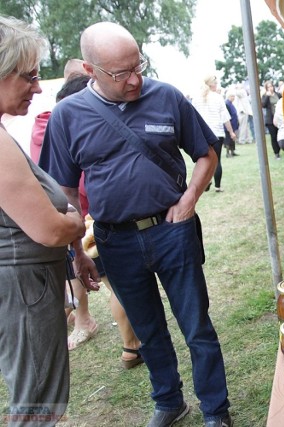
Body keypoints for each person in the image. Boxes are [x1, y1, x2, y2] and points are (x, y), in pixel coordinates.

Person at [39, 22, 233, 426]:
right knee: (148, 330)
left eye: (138, 65)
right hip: (116, 241)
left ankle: (216, 410)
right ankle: (168, 402)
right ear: (91, 71)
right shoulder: (67, 116)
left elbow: (206, 152)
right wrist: (78, 253)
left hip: (172, 232)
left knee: (196, 326)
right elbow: (65, 194)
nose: (135, 79)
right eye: (121, 73)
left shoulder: (166, 97)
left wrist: (189, 199)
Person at [0, 15, 86, 425]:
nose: (37, 87)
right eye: (29, 76)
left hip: (24, 287)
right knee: (36, 407)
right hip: (23, 290)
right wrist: (73, 222)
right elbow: (50, 229)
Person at [32, 73, 143, 367]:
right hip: (92, 225)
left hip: (80, 227)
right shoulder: (78, 133)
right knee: (119, 287)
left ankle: (132, 344)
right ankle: (131, 346)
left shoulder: (52, 131)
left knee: (114, 285)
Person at [192, 75, 236, 193]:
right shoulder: (218, 98)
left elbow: (193, 118)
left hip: (202, 134)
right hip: (217, 133)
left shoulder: (196, 98)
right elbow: (225, 117)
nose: (217, 85)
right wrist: (231, 132)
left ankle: (206, 182)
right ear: (211, 84)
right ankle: (217, 186)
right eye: (216, 83)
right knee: (217, 161)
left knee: (203, 161)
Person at [261, 80, 281, 160]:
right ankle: (276, 153)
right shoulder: (265, 96)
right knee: (273, 137)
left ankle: (281, 149)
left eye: (271, 86)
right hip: (271, 119)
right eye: (268, 87)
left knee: (280, 135)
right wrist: (267, 96)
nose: (270, 88)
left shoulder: (278, 95)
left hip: (279, 118)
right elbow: (263, 105)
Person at [224, 90, 239, 158]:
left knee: (232, 139)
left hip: (233, 124)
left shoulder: (231, 103)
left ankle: (232, 151)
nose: (233, 97)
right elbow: (227, 116)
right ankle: (228, 153)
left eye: (234, 96)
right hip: (229, 124)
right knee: (228, 139)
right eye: (232, 96)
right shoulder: (226, 104)